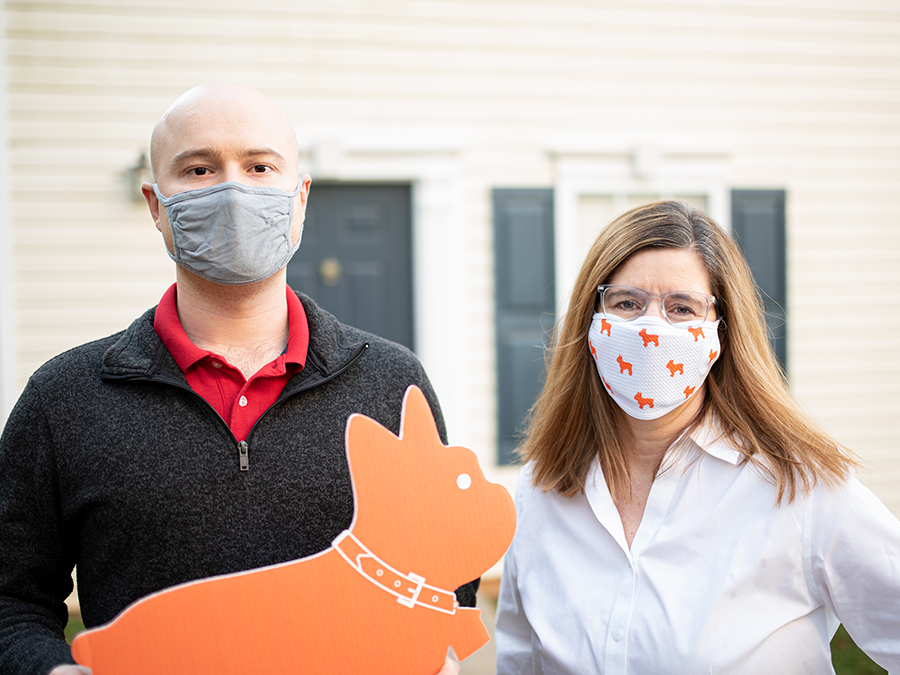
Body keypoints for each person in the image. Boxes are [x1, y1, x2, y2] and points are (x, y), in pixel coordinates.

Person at [0, 82, 470, 675]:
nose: (232, 189)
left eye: (259, 166)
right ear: (155, 205)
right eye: (198, 170)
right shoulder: (63, 398)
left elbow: (447, 574)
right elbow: (11, 601)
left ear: (300, 197)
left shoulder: (390, 384)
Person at [494, 200, 900, 674]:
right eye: (626, 303)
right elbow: (520, 663)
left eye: (681, 307)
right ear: (590, 321)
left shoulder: (802, 489)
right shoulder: (538, 491)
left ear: (720, 333)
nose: (650, 327)